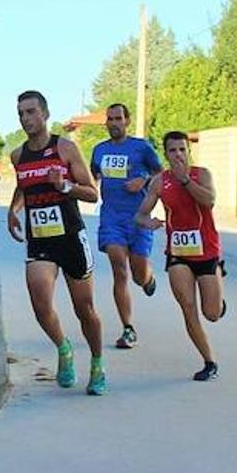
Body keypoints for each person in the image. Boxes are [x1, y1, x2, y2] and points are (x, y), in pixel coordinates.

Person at [7, 90, 106, 395]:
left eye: (31, 112)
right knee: (40, 302)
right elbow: (24, 187)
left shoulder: (65, 148)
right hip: (40, 240)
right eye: (21, 113)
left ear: (45, 114)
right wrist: (14, 210)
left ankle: (98, 363)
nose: (26, 119)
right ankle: (63, 349)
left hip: (71, 237)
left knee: (84, 309)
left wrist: (64, 186)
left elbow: (92, 193)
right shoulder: (18, 156)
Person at [133, 132, 225, 381]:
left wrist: (186, 181)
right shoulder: (159, 182)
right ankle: (209, 361)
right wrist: (147, 221)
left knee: (212, 313)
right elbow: (139, 215)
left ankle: (218, 276)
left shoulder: (201, 174)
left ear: (189, 151)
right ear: (166, 154)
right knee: (187, 307)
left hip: (206, 250)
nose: (178, 155)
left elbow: (209, 201)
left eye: (182, 150)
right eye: (173, 150)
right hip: (178, 253)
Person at [90, 102, 161, 349]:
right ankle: (128, 328)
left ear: (127, 121)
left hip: (138, 218)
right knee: (120, 270)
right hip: (111, 219)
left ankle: (148, 277)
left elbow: (161, 175)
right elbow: (93, 176)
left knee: (138, 274)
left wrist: (144, 180)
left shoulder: (141, 148)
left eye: (118, 118)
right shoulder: (98, 151)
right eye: (110, 119)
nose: (114, 123)